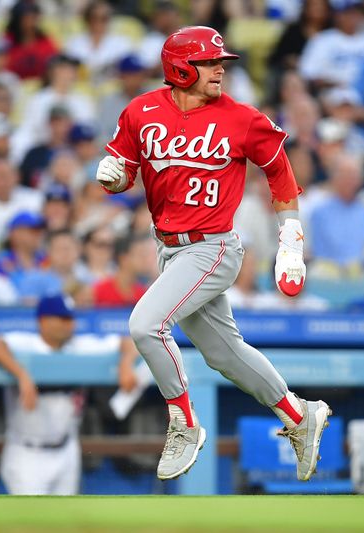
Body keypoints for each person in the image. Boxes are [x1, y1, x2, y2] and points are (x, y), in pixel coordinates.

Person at [97, 26, 331, 482]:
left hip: (213, 247)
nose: (220, 68)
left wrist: (290, 240)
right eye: (209, 62)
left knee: (145, 325)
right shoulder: (140, 111)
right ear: (180, 67)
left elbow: (280, 173)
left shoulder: (241, 118)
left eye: (221, 61)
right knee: (225, 354)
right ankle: (300, 415)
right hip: (169, 249)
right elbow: (124, 174)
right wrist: (113, 177)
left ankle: (183, 423)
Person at [0, 293, 138, 495]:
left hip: (67, 449)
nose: (68, 324)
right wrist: (21, 375)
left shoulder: (80, 345)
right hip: (27, 453)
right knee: (31, 525)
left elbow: (129, 341)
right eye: (62, 318)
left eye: (71, 319)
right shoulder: (26, 344)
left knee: (64, 524)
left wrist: (125, 363)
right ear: (43, 320)